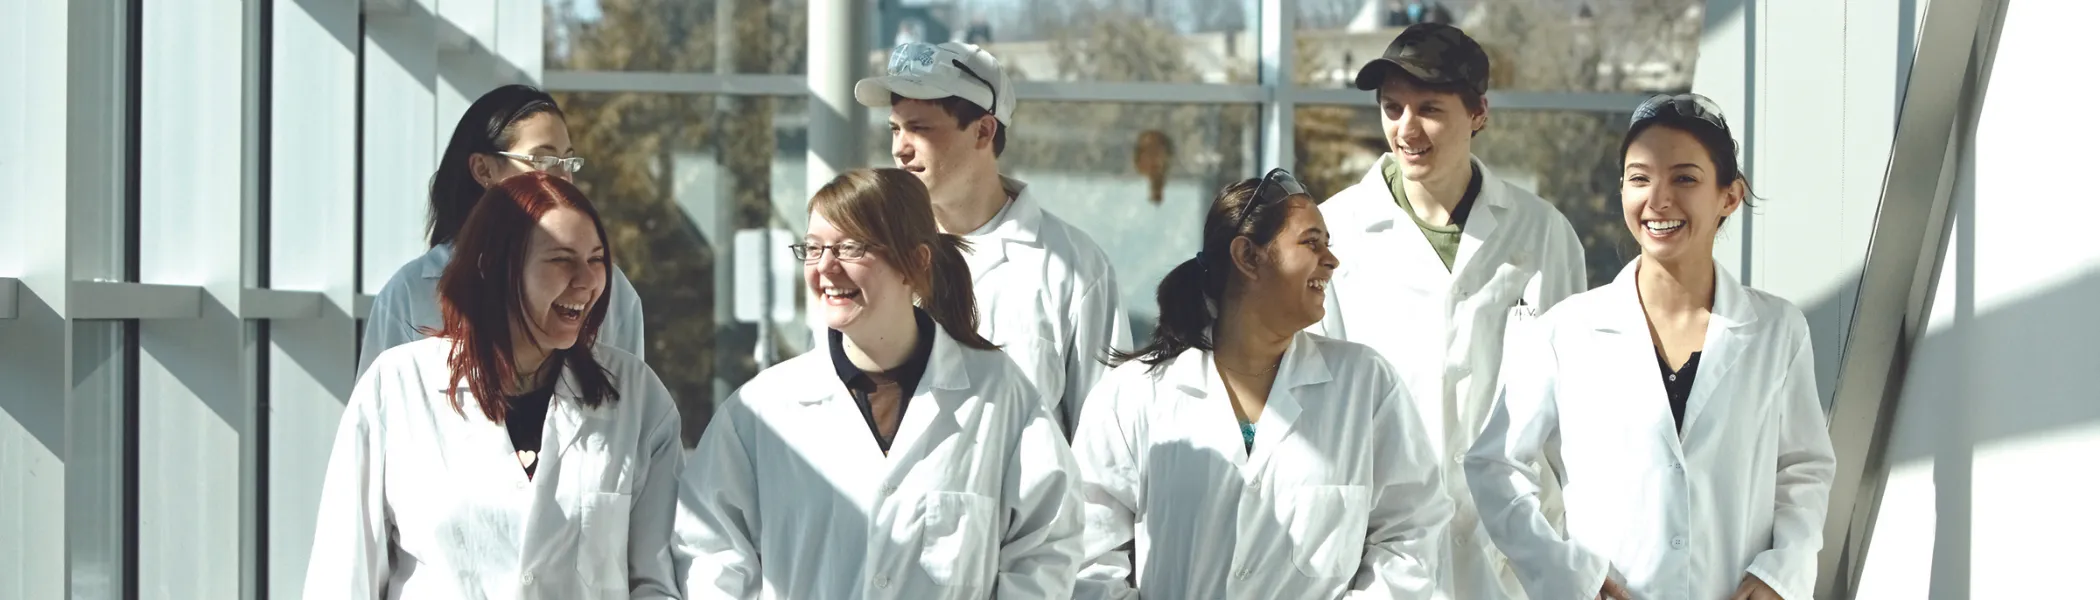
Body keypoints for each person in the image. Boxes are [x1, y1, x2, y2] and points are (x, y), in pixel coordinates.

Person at [1464, 94, 1836, 600]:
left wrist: (1780, 574)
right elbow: (1494, 466)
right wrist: (1567, 574)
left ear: (1729, 196)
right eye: (1640, 178)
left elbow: (1804, 468)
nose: (1658, 200)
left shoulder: (1776, 330)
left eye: (1684, 178)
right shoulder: (1567, 331)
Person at [675, 168, 1083, 599]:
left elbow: (1048, 539)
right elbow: (709, 550)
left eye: (851, 247)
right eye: (813, 249)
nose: (826, 268)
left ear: (915, 262)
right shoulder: (761, 410)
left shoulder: (997, 394)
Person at [1072, 170, 1452, 599]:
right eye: (1312, 242)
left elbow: (1412, 530)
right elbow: (1087, 555)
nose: (1331, 260)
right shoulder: (1134, 396)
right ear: (1249, 257)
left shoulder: (1365, 386)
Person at [305, 172, 683, 600]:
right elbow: (344, 574)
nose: (586, 280)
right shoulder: (396, 387)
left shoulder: (637, 396)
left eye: (596, 259)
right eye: (561, 259)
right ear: (492, 266)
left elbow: (656, 580)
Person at [1315, 22, 1590, 600]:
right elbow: (1318, 409)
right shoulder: (1333, 233)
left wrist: (1581, 555)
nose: (1406, 129)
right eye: (1392, 108)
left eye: (1430, 109)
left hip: (1517, 554)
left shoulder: (1543, 234)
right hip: (1384, 558)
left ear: (1479, 112)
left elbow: (1574, 422)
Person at [854, 41, 1131, 437]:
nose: (899, 148)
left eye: (920, 127)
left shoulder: (1074, 266)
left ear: (983, 131)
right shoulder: (870, 253)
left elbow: (1103, 445)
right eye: (896, 129)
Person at [360, 84, 646, 376]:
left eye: (568, 162)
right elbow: (377, 411)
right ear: (484, 170)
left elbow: (628, 404)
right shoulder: (412, 291)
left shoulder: (605, 290)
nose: (562, 179)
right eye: (543, 161)